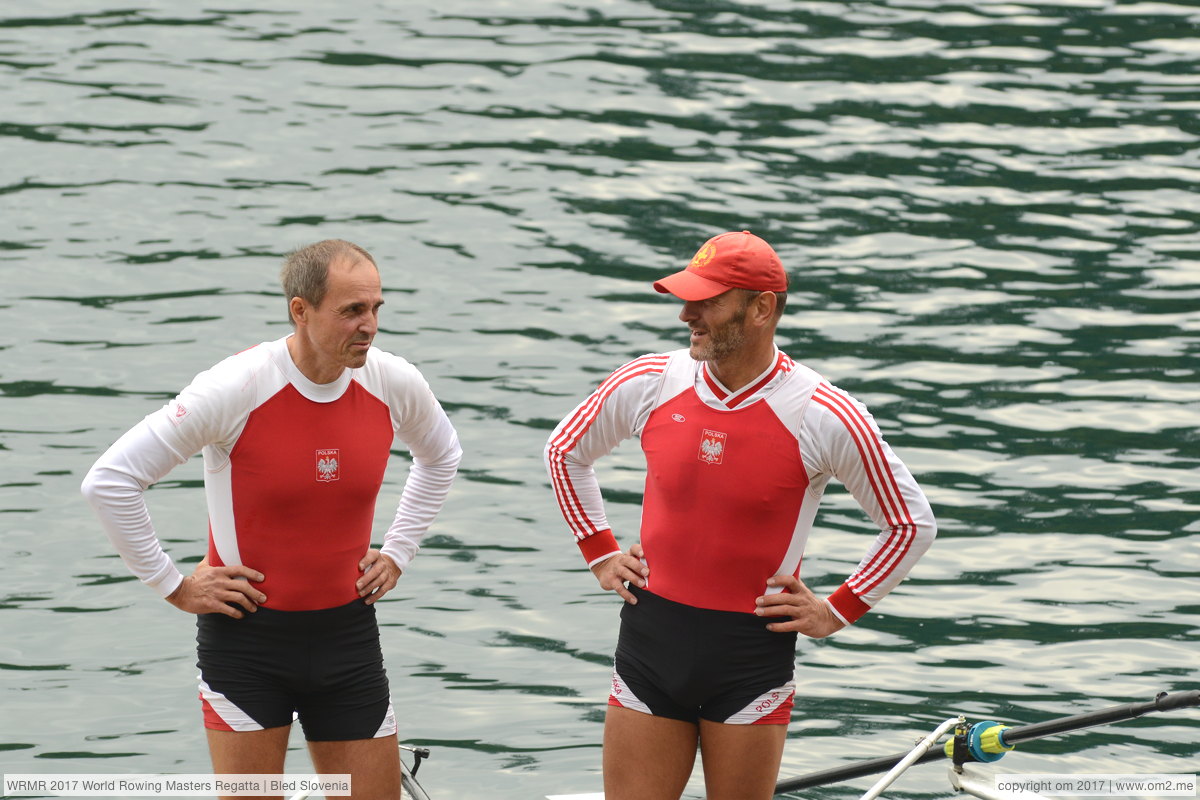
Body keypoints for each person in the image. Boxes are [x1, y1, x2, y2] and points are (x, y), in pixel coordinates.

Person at [544, 230, 937, 800]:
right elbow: (564, 451)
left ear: (761, 308)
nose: (686, 315)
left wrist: (836, 611)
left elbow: (909, 524)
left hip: (750, 659)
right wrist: (600, 551)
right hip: (649, 644)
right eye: (687, 299)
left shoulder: (823, 414)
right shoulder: (652, 381)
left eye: (707, 302)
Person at [82, 239, 462, 800]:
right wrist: (174, 586)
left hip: (347, 639)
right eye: (352, 310)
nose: (370, 325)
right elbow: (110, 481)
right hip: (246, 645)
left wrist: (400, 549)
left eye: (377, 308)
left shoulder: (392, 381)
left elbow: (441, 455)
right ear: (300, 310)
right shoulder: (237, 386)